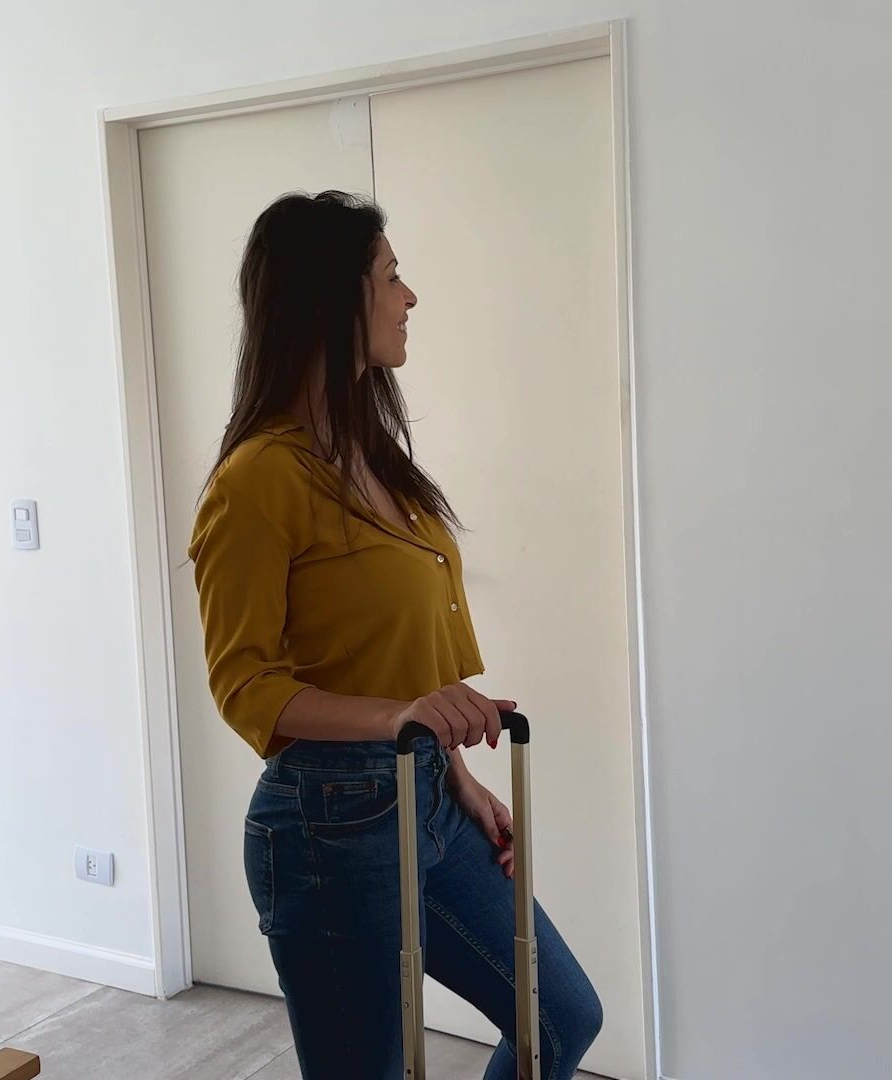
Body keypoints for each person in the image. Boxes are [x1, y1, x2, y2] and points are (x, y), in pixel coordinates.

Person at [188, 191, 603, 1078]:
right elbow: (245, 685)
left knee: (561, 1018)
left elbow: (408, 668)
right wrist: (401, 720)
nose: (409, 297)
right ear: (330, 300)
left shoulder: (372, 458)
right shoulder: (257, 479)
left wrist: (457, 774)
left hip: (427, 798)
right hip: (327, 822)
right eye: (390, 277)